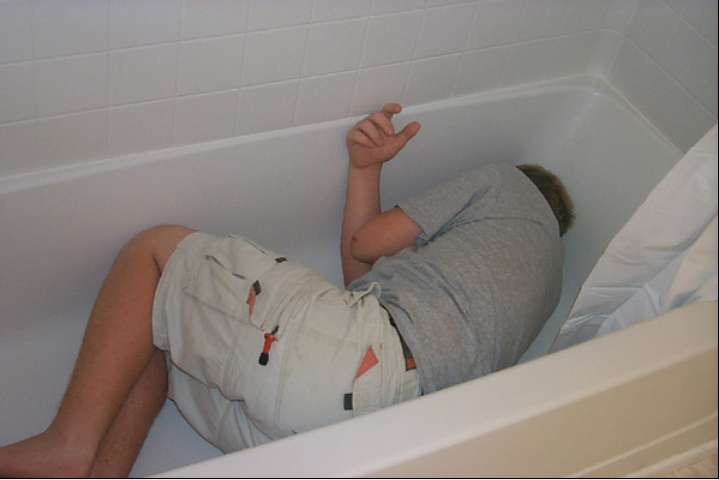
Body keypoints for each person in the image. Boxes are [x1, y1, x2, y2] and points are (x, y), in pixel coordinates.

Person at [0, 103, 574, 478]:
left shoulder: (507, 184)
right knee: (159, 334)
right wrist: (363, 170)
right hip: (353, 446)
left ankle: (67, 444)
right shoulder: (545, 285)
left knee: (152, 254)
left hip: (356, 358)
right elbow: (364, 280)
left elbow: (369, 242)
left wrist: (373, 169)